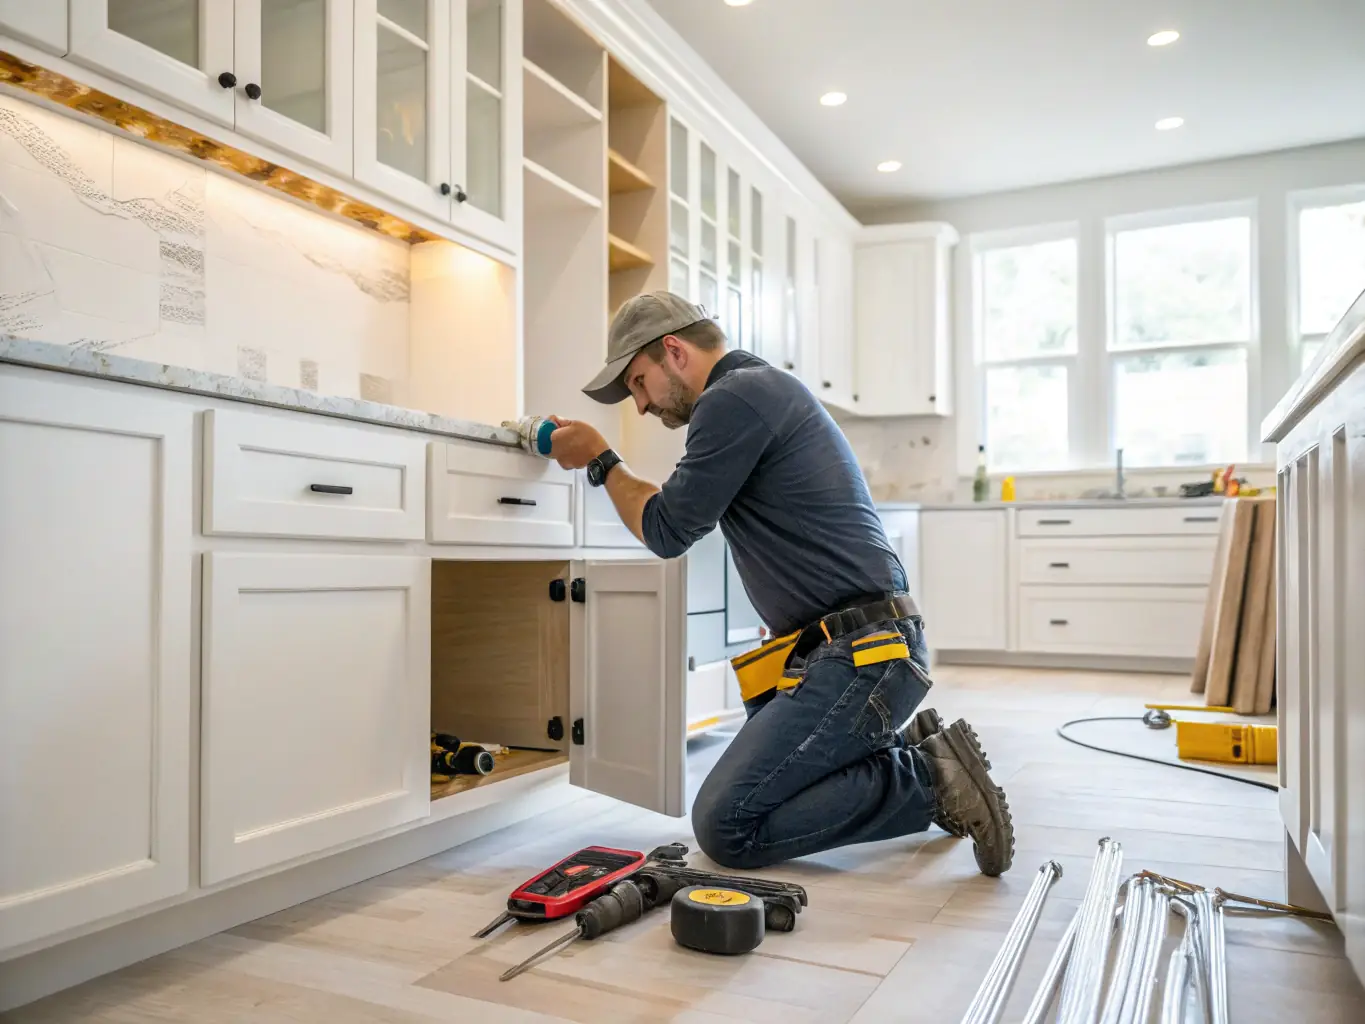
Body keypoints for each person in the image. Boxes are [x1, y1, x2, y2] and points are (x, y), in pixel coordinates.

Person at [547, 291, 1014, 875]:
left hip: (864, 657)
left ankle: (929, 779)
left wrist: (601, 460)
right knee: (766, 789)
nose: (639, 405)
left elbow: (665, 529)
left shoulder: (733, 398)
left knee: (727, 823)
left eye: (639, 382)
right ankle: (902, 752)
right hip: (862, 652)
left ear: (674, 351)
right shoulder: (757, 391)